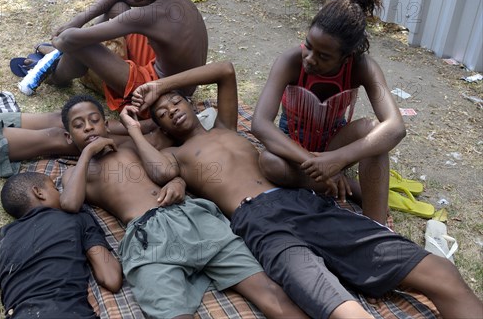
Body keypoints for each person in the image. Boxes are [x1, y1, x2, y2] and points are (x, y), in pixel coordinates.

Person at [128, 61, 483, 319]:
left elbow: (225, 70)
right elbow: (159, 170)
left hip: (302, 202)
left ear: (189, 102)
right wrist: (132, 127)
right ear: (159, 128)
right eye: (161, 114)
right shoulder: (175, 155)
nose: (171, 111)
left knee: (443, 274)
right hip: (260, 224)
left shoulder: (225, 125)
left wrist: (160, 85)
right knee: (345, 311)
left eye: (175, 102)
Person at [58, 94, 306, 319]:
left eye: (94, 120)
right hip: (147, 239)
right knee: (172, 314)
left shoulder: (130, 147)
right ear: (69, 137)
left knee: (268, 291)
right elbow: (70, 203)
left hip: (190, 217)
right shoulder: (75, 173)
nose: (89, 127)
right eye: (79, 126)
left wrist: (178, 183)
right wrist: (88, 152)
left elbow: (168, 169)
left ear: (106, 125)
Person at [251, 0, 403, 224]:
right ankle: (348, 187)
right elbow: (260, 124)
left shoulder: (362, 67)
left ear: (347, 56)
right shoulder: (290, 62)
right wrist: (314, 162)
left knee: (375, 132)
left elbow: (396, 127)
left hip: (336, 145)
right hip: (295, 150)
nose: (310, 59)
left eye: (323, 56)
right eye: (309, 46)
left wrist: (337, 159)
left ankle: (376, 228)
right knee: (268, 162)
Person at [42, 0, 208, 114]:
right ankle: (67, 58)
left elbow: (69, 38)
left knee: (81, 44)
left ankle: (55, 76)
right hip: (174, 76)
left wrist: (59, 42)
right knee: (117, 8)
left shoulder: (147, 16)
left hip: (160, 93)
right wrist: (76, 21)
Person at [0, 172, 122, 319]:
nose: (60, 193)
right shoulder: (76, 219)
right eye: (55, 188)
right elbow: (111, 278)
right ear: (39, 192)